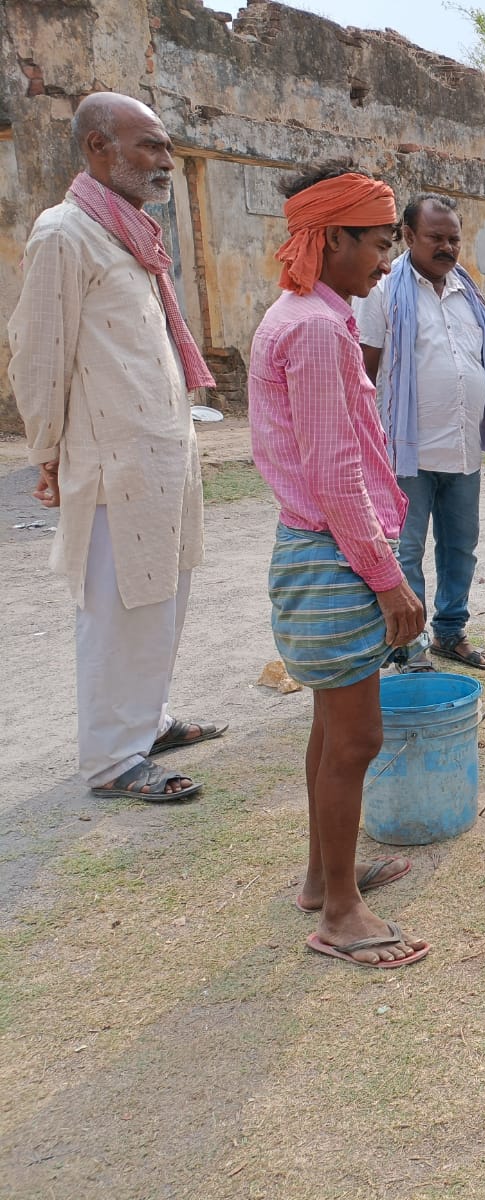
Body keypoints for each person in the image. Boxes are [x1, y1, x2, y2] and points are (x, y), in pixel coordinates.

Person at [8, 92, 226, 802]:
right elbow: (36, 355)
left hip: (163, 452)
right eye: (150, 146)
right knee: (117, 606)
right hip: (110, 458)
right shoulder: (64, 233)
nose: (165, 160)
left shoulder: (128, 233)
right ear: (98, 148)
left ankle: (148, 723)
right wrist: (48, 450)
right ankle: (113, 761)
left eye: (166, 147)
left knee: (162, 596)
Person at [248, 158, 428, 969]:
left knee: (331, 730)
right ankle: (342, 916)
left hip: (317, 552)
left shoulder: (303, 314)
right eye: (380, 243)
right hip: (333, 558)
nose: (388, 262)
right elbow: (334, 473)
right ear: (332, 237)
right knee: (356, 740)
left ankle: (325, 879)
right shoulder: (317, 329)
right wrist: (387, 578)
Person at [355, 192, 485, 673]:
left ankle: (451, 633)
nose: (447, 248)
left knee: (459, 549)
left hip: (464, 449)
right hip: (406, 454)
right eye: (435, 238)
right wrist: (368, 448)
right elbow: (364, 375)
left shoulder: (470, 294)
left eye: (454, 239)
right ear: (408, 237)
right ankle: (409, 645)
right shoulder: (383, 293)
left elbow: (483, 366)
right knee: (405, 552)